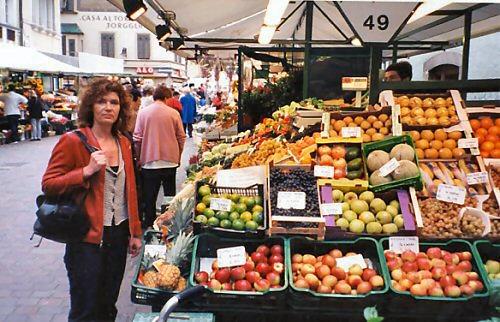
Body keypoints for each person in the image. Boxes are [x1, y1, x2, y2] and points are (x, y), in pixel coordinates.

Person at [42, 78, 142, 322]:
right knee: (85, 309)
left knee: (108, 305)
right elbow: (49, 184)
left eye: (114, 102)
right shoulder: (73, 141)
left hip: (117, 236)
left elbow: (130, 190)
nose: (108, 107)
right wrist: (84, 172)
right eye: (101, 102)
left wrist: (135, 232)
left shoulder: (125, 143)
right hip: (86, 238)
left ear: (121, 108)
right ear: (91, 107)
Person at [133, 85, 186, 228]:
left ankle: (150, 224)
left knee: (150, 196)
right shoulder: (173, 113)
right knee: (169, 196)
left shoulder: (143, 113)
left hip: (149, 163)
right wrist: (178, 155)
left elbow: (137, 139)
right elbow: (181, 137)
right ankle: (169, 224)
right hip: (170, 161)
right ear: (167, 97)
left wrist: (139, 157)